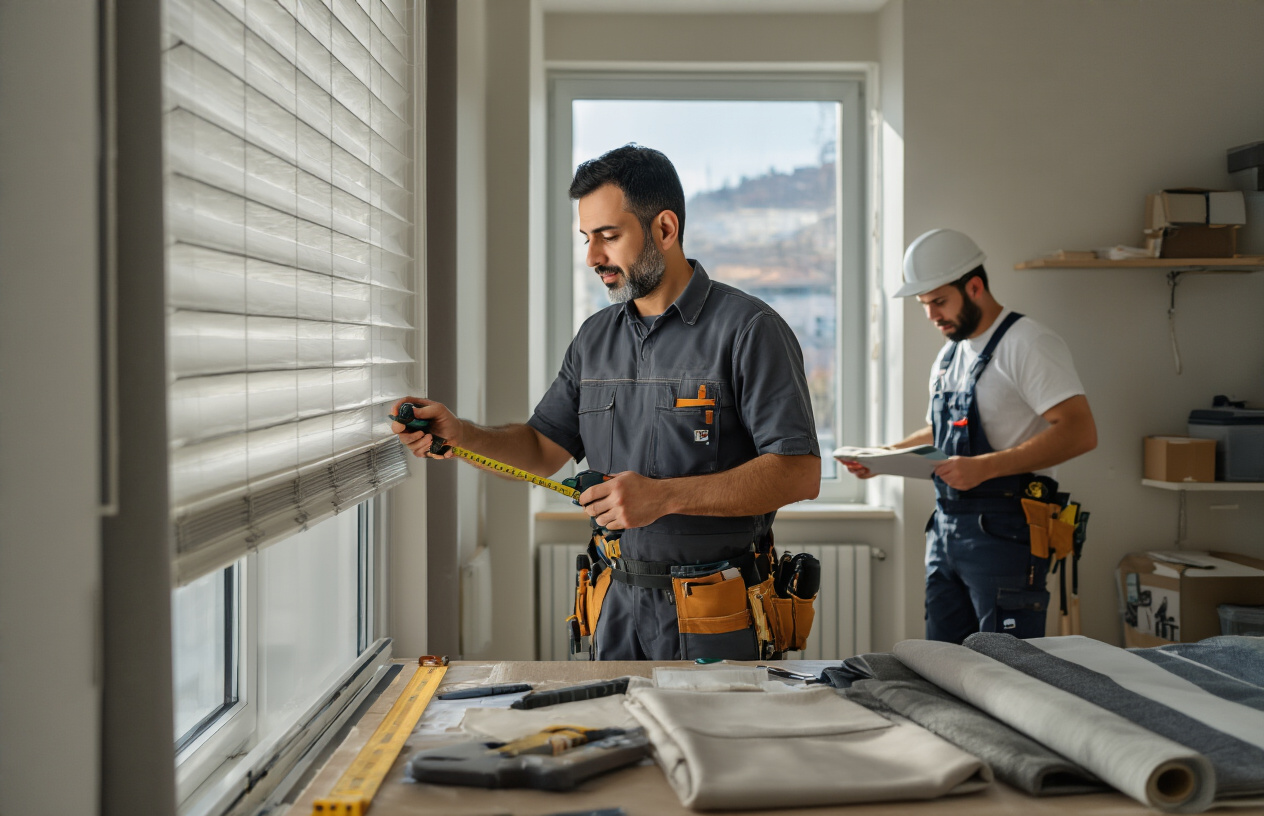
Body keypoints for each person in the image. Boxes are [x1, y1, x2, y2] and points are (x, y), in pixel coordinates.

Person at [391, 144, 821, 660]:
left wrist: (663, 497)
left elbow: (799, 473)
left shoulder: (750, 330)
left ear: (665, 229)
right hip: (614, 605)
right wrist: (463, 435)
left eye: (609, 236)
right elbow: (539, 449)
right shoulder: (595, 338)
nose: (593, 257)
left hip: (716, 612)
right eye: (587, 238)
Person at [841, 229, 1096, 644]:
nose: (931, 315)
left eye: (940, 301)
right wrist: (883, 456)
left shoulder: (1028, 343)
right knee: (941, 662)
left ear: (974, 287)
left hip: (1006, 532)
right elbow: (940, 431)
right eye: (925, 305)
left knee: (1005, 665)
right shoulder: (949, 356)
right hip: (945, 530)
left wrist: (983, 468)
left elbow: (1079, 431)